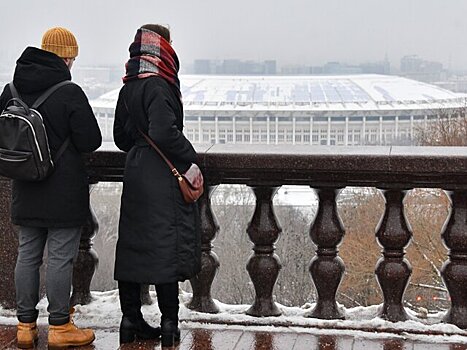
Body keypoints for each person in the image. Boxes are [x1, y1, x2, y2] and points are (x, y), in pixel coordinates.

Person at [0, 27, 102, 349]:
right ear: (67, 57)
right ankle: (60, 326)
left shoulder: (10, 90)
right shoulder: (69, 92)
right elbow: (91, 141)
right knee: (59, 258)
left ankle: (25, 326)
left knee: (27, 255)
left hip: (25, 186)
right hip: (63, 190)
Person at [113, 24, 201, 347]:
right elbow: (164, 133)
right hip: (161, 178)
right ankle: (169, 324)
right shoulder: (160, 86)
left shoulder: (128, 87)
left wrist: (139, 148)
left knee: (132, 248)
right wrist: (189, 159)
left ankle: (129, 320)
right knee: (166, 249)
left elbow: (120, 137)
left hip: (135, 174)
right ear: (163, 46)